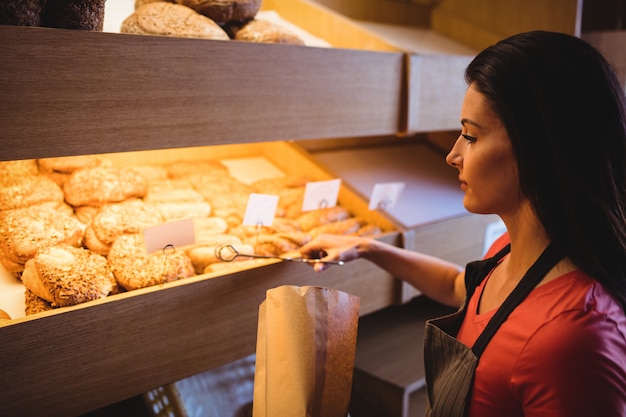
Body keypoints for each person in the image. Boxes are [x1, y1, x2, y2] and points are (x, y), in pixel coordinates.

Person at [299, 31, 626, 417]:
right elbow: (461, 287)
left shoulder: (574, 335)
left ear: (538, 146)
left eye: (471, 136)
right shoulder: (515, 249)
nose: (453, 154)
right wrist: (370, 248)